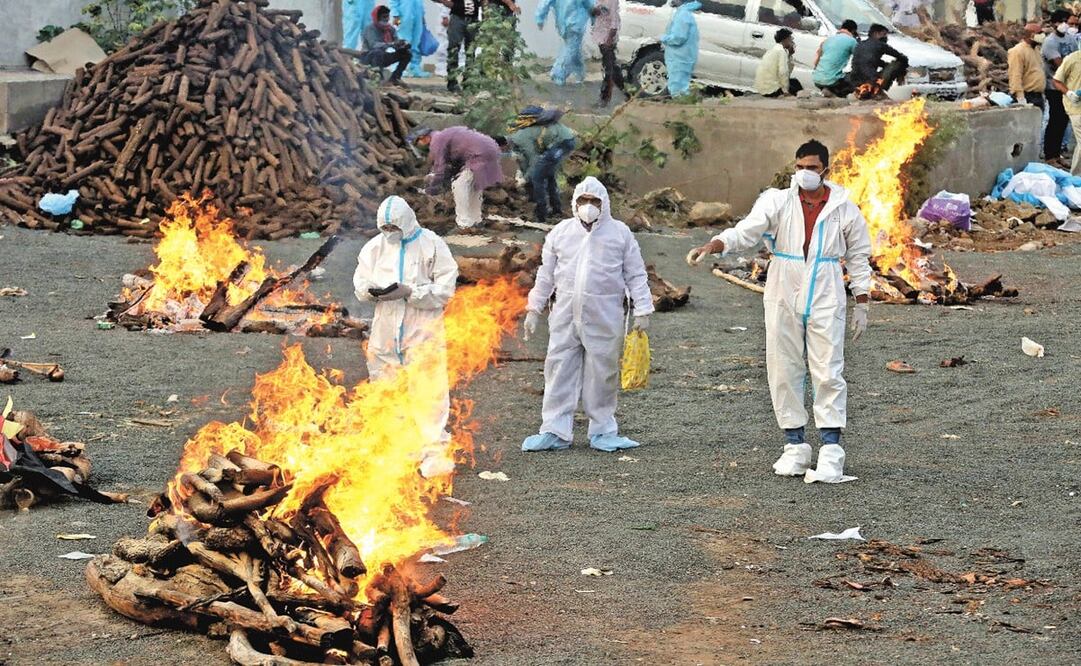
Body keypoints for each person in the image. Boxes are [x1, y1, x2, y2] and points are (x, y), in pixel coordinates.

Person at [686, 140, 872, 483]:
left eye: (812, 167)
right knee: (783, 364)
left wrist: (862, 300)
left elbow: (859, 255)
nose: (805, 173)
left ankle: (831, 449)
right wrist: (714, 244)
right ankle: (795, 445)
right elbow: (747, 231)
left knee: (828, 367)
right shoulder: (778, 200)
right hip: (784, 282)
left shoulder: (844, 208)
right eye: (800, 167)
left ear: (826, 170)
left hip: (826, 284)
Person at [521, 177, 654, 453]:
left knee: (602, 373)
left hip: (604, 315)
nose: (589, 206)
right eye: (583, 201)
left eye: (595, 201)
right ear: (574, 203)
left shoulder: (619, 234)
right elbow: (546, 275)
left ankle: (603, 430)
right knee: (558, 369)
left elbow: (635, 273)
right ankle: (555, 430)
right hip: (565, 314)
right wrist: (534, 308)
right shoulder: (561, 232)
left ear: (605, 204)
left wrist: (643, 308)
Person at [352, 195, 458, 462]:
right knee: (385, 385)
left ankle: (434, 449)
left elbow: (445, 290)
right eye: (385, 228)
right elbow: (360, 282)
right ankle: (396, 447)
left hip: (421, 327)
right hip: (385, 327)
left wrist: (411, 292)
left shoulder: (432, 244)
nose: (390, 232)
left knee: (428, 387)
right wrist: (372, 291)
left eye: (394, 227)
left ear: (407, 222)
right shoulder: (374, 247)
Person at [409, 126, 504, 228]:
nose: (418, 145)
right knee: (473, 187)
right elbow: (457, 160)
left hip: (479, 154)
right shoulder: (444, 135)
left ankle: (464, 224)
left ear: (423, 138)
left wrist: (432, 189)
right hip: (490, 148)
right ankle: (476, 220)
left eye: (417, 142)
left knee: (459, 185)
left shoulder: (436, 141)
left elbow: (440, 168)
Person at [507, 106, 577, 223]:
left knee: (537, 177)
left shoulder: (520, 139)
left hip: (563, 142)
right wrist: (522, 173)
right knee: (548, 174)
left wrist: (524, 179)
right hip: (564, 140)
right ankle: (556, 209)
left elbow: (533, 160)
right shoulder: (523, 135)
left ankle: (541, 214)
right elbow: (527, 160)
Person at [536, 0, 596, 86]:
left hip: (565, 23)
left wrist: (540, 18)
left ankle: (579, 72)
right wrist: (594, 20)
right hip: (575, 23)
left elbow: (544, 3)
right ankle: (559, 74)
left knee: (573, 47)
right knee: (572, 49)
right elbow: (590, 5)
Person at [1042, 11, 1076, 162]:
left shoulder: (1070, 39)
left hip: (1068, 87)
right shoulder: (1050, 42)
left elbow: (1077, 58)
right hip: (1054, 87)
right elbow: (1060, 65)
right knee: (1055, 120)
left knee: (1063, 121)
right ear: (1054, 23)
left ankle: (1057, 154)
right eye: (1064, 21)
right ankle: (1050, 155)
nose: (1066, 25)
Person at [847, 23, 909, 100]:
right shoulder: (880, 44)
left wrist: (885, 65)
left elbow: (869, 61)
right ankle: (878, 90)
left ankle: (866, 92)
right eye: (884, 34)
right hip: (872, 80)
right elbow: (901, 57)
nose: (886, 37)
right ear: (876, 34)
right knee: (898, 63)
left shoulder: (860, 44)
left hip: (855, 80)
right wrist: (902, 72)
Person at [361, 5, 413, 85]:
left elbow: (395, 42)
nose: (387, 19)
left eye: (388, 16)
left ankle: (395, 78)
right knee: (377, 52)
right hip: (369, 57)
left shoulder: (390, 29)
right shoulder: (370, 28)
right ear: (377, 17)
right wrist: (391, 44)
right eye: (384, 17)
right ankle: (378, 77)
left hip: (383, 56)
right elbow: (374, 45)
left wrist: (402, 45)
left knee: (407, 53)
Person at [660, 0, 701, 97]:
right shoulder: (684, 13)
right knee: (681, 87)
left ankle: (680, 105)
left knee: (677, 90)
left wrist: (663, 38)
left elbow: (678, 38)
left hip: (679, 57)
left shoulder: (683, 15)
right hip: (683, 57)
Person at [438, 0, 480, 93]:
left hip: (473, 19)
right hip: (457, 18)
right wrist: (446, 11)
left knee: (471, 51)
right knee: (453, 49)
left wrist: (485, 16)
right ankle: (452, 81)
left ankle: (468, 82)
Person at [592, 0, 626, 107]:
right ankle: (626, 91)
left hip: (607, 38)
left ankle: (604, 98)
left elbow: (615, 22)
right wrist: (594, 11)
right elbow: (593, 13)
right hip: (599, 36)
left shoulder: (612, 1)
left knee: (608, 69)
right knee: (612, 67)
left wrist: (609, 39)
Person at [812, 19, 858, 98]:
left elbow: (816, 62)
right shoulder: (852, 41)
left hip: (816, 79)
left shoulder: (827, 40)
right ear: (853, 31)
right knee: (856, 77)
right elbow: (861, 58)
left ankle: (827, 91)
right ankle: (835, 93)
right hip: (832, 81)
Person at [1053, 49, 1081, 174]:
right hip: (1076, 108)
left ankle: (1075, 175)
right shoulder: (1072, 59)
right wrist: (1069, 93)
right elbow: (1056, 81)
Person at [1008, 23, 1047, 109]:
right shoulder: (1017, 51)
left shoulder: (1036, 49)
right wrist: (1021, 99)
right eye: (1039, 33)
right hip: (1027, 95)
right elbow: (1015, 76)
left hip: (1038, 96)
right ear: (1032, 35)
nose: (1042, 35)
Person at [756, 28, 802, 97]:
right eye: (790, 39)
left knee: (794, 82)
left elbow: (786, 73)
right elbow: (783, 72)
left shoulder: (775, 49)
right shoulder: (781, 52)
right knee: (795, 87)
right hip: (771, 89)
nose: (792, 42)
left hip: (763, 87)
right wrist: (785, 91)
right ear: (785, 40)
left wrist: (789, 55)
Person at [390, 0, 430, 78]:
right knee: (402, 41)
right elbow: (393, 1)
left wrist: (422, 15)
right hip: (403, 15)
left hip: (417, 15)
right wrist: (395, 14)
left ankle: (415, 67)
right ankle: (398, 67)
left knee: (416, 42)